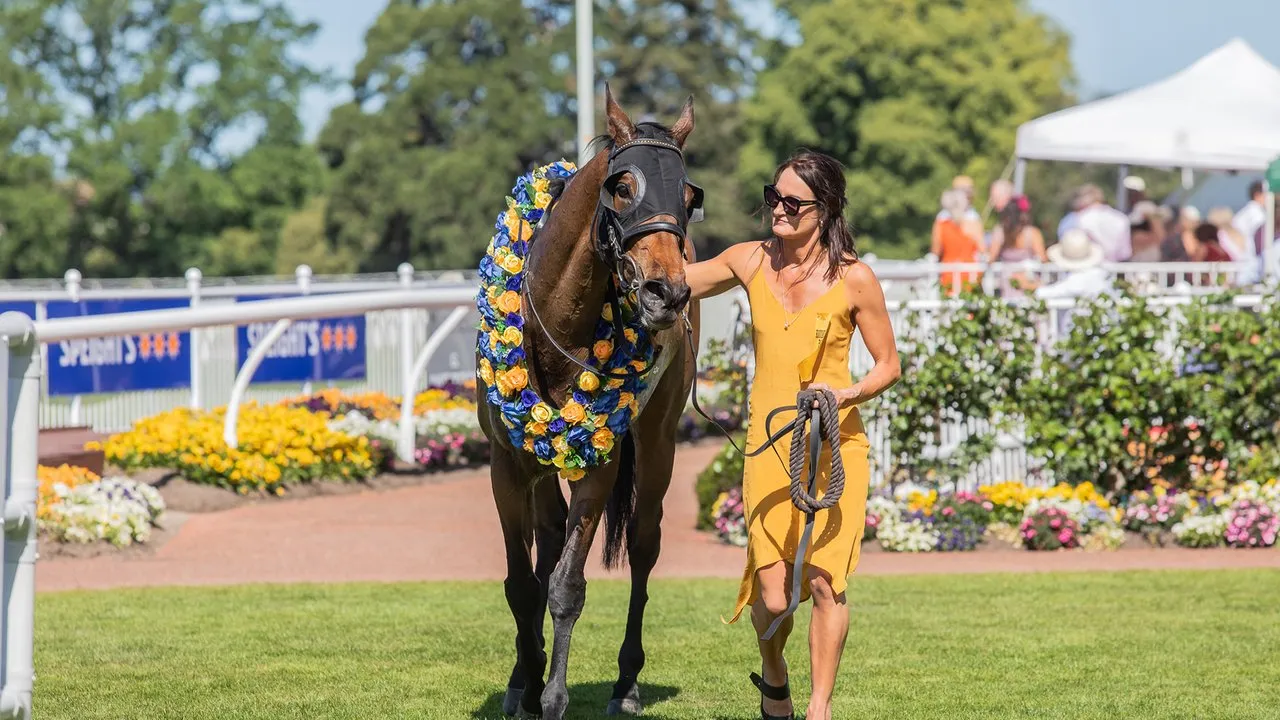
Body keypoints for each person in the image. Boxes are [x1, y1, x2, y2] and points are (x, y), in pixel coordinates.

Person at [684, 150, 901, 720]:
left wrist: (846, 394)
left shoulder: (855, 278)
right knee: (775, 597)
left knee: (828, 582)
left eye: (792, 202)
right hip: (769, 448)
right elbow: (675, 283)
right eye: (772, 196)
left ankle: (819, 708)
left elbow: (887, 366)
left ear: (824, 210)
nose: (777, 209)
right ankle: (774, 673)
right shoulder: (749, 261)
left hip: (835, 445)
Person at [986, 194, 1047, 298]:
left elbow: (991, 258)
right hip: (1026, 278)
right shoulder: (1032, 233)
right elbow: (1043, 258)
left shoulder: (1000, 232)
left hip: (1008, 279)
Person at [931, 188, 983, 295]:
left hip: (949, 272)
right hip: (970, 272)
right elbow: (982, 249)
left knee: (950, 305)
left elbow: (936, 251)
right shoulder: (973, 224)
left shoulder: (941, 225)